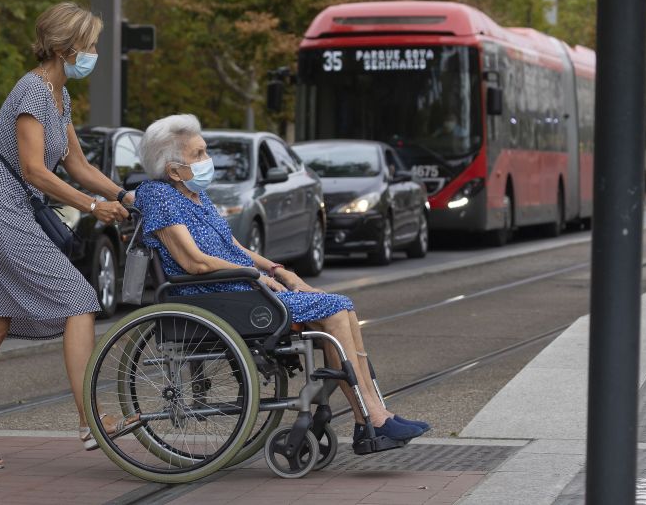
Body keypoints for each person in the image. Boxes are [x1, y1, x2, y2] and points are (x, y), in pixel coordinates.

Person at [134, 114, 430, 450]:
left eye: (206, 152)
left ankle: (376, 415)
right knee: (335, 312)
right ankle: (371, 420)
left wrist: (278, 270)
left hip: (241, 288)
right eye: (199, 154)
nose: (208, 160)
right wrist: (256, 276)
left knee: (343, 312)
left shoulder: (195, 195)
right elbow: (195, 261)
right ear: (173, 170)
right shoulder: (159, 195)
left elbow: (233, 246)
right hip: (217, 295)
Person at [0, 2, 135, 469]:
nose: (93, 54)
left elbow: (78, 165)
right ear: (65, 48)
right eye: (89, 46)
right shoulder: (31, 90)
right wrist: (90, 206)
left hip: (5, 211)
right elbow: (34, 170)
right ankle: (90, 420)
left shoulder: (58, 96)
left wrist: (126, 195)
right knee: (79, 301)